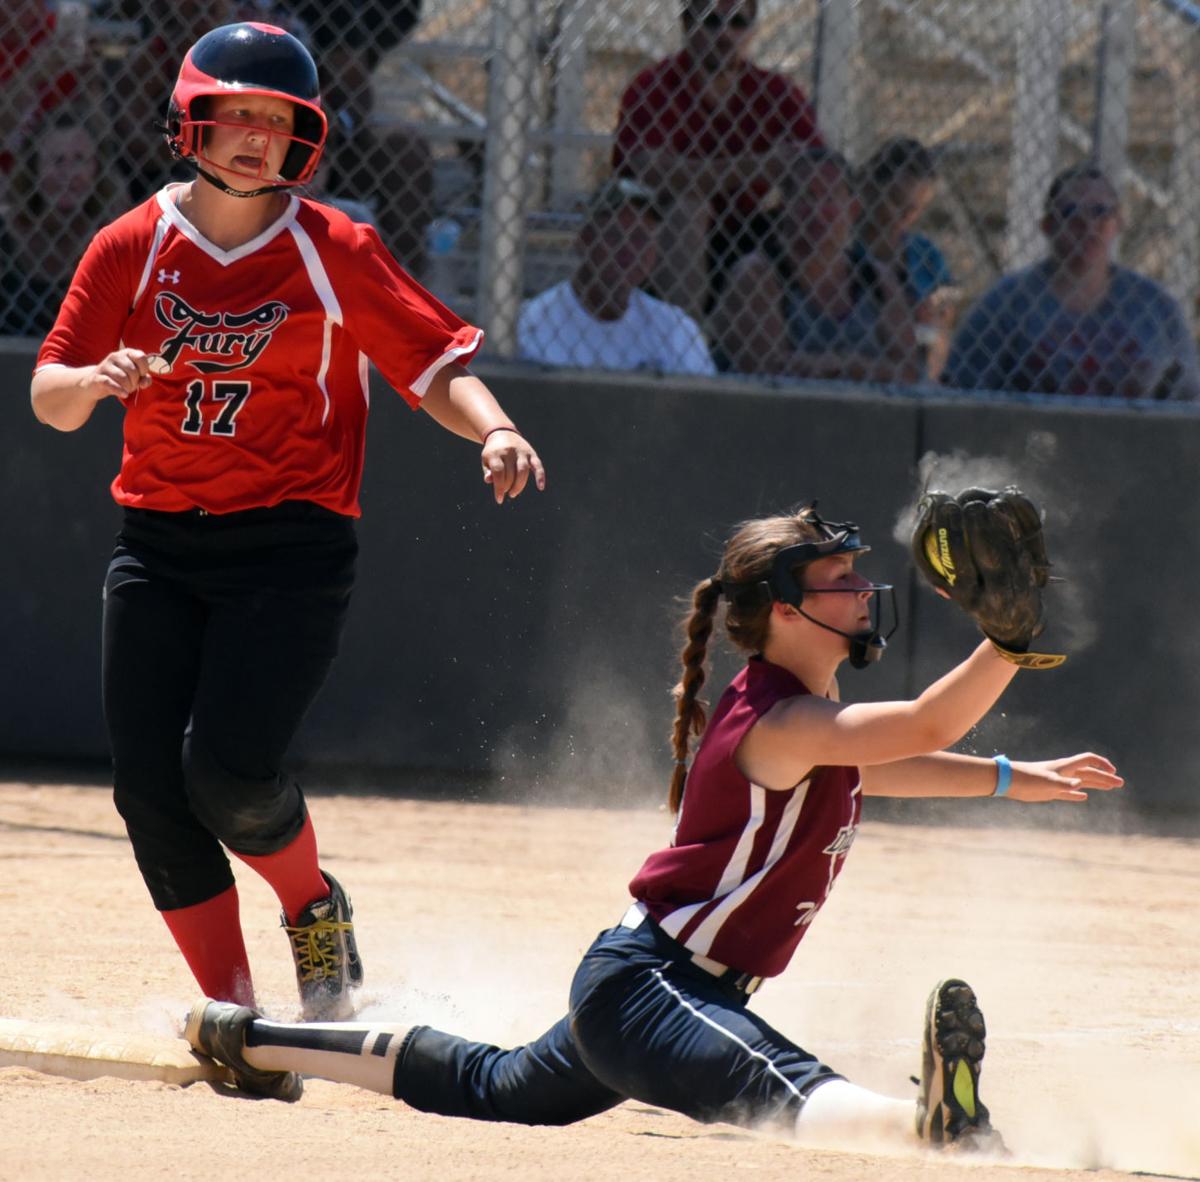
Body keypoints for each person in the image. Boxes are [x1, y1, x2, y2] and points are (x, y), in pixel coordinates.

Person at [182, 503, 1121, 1139]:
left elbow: (894, 756)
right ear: (786, 611)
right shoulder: (781, 718)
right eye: (839, 579)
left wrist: (1006, 776)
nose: (862, 591)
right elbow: (917, 724)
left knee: (499, 1088)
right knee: (778, 1086)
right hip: (654, 989)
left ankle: (246, 1035)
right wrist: (1005, 645)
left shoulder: (804, 717)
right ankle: (925, 1127)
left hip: (650, 984)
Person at [30, 22, 544, 1025]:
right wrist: (94, 382)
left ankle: (313, 905)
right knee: (149, 794)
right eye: (238, 117)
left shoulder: (333, 246)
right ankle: (239, 1019)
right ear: (194, 120)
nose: (256, 138)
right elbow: (48, 392)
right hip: (158, 546)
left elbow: (432, 367)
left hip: (289, 549)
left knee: (225, 771)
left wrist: (496, 430)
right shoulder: (130, 244)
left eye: (279, 122)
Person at [612, 0, 824, 320]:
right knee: (690, 205)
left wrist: (697, 173)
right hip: (666, 233)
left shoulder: (775, 91)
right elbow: (650, 169)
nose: (724, 34)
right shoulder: (654, 86)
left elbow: (816, 166)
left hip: (751, 225)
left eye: (737, 23)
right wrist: (760, 166)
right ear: (687, 25)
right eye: (711, 21)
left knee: (815, 210)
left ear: (752, 32)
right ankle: (686, 345)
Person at [942, 162, 1200, 400]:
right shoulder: (1007, 304)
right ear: (1047, 225)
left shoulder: (1153, 306)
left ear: (1119, 222)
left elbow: (1189, 397)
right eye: (1070, 212)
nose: (1087, 225)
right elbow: (960, 389)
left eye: (1100, 211)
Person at [711, 148, 921, 382]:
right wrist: (875, 370)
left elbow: (910, 372)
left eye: (830, 197)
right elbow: (768, 372)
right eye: (805, 196)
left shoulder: (876, 279)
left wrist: (844, 365)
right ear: (784, 206)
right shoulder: (758, 275)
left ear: (852, 209)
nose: (816, 210)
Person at [517, 177, 716, 377]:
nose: (628, 249)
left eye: (640, 238)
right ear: (584, 240)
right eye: (614, 235)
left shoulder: (675, 328)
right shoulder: (532, 324)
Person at [2, 111, 125, 333]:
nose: (69, 173)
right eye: (57, 160)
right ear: (34, 168)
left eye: (80, 159)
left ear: (97, 168)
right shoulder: (5, 232)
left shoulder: (117, 237)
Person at [854, 137, 958, 381]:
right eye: (895, 201)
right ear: (869, 186)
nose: (906, 215)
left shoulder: (924, 252)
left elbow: (945, 302)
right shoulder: (847, 248)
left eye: (916, 208)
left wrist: (939, 307)